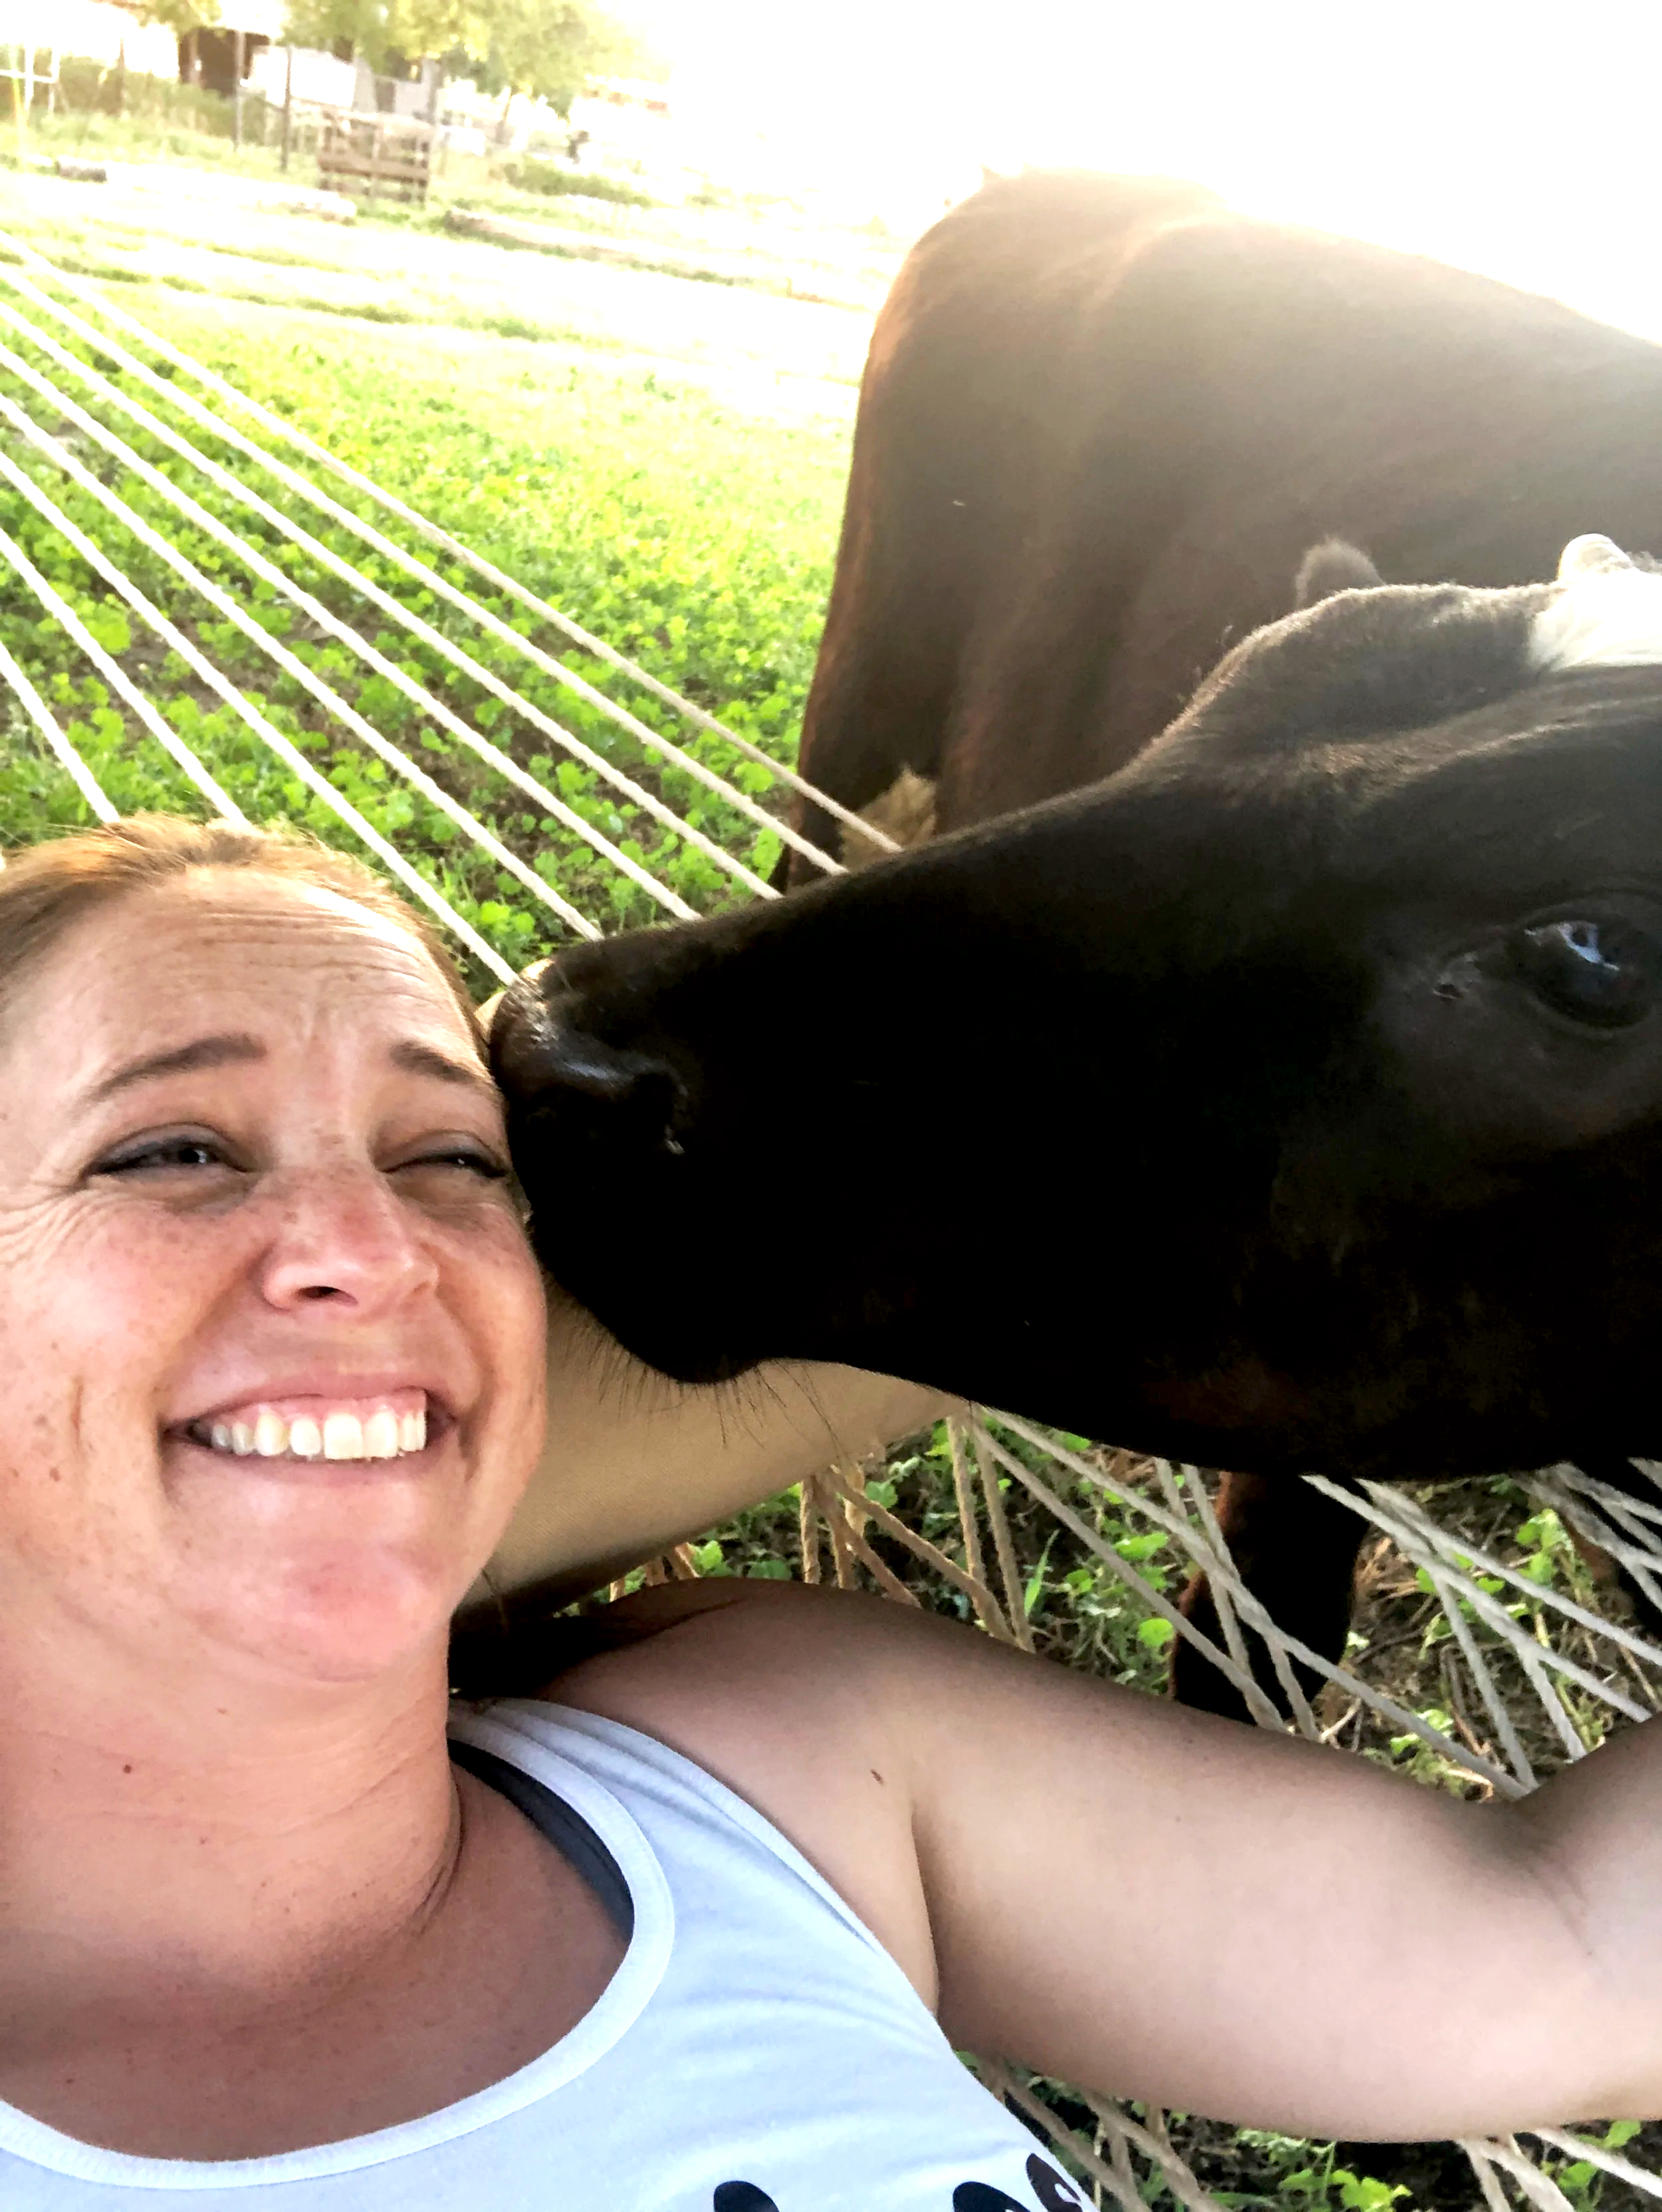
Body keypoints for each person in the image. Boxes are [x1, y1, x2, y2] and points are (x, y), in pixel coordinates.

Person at [0, 813, 1656, 2211]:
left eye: (450, 1156)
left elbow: (1570, 1941)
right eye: (169, 1150)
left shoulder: (781, 1761)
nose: (376, 1245)